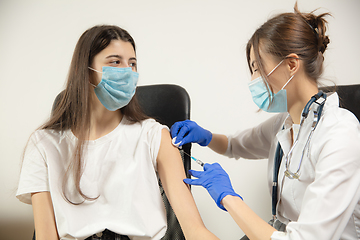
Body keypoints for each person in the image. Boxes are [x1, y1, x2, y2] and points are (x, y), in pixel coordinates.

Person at [171, 4, 360, 240]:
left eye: (257, 68)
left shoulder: (340, 132)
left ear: (291, 65)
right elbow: (233, 145)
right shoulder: (285, 124)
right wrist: (206, 136)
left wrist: (228, 197)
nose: (252, 80)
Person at [16, 25, 219, 240]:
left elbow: (194, 230)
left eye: (132, 63)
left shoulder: (153, 135)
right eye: (115, 62)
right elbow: (46, 236)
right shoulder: (44, 144)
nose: (128, 71)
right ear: (84, 71)